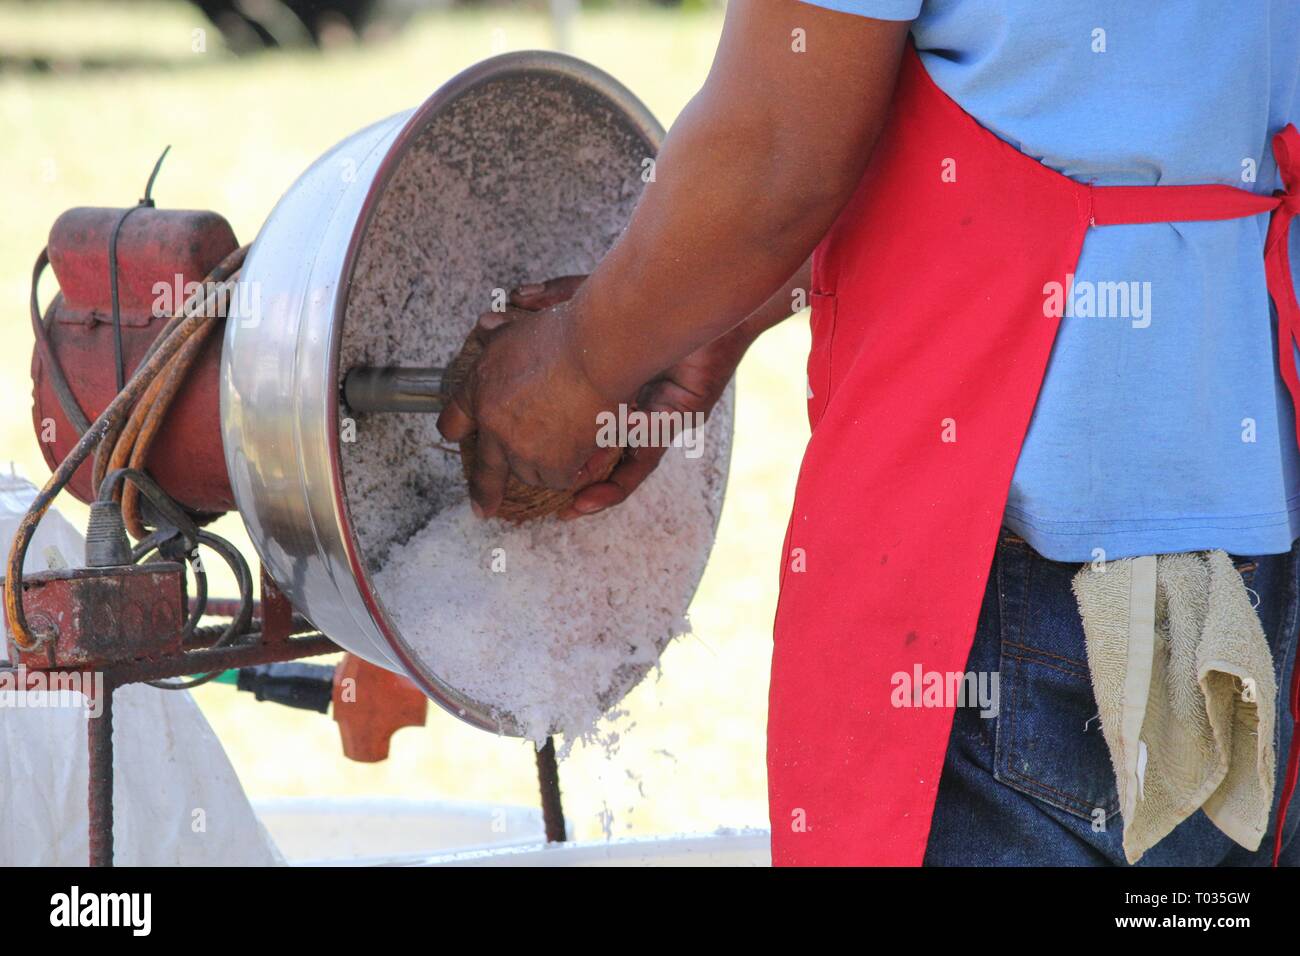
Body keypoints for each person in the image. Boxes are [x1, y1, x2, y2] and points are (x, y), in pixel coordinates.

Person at [438, 0, 1300, 865]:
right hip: (1273, 498)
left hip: (1028, 566)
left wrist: (578, 367)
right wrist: (720, 313)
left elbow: (776, 147)